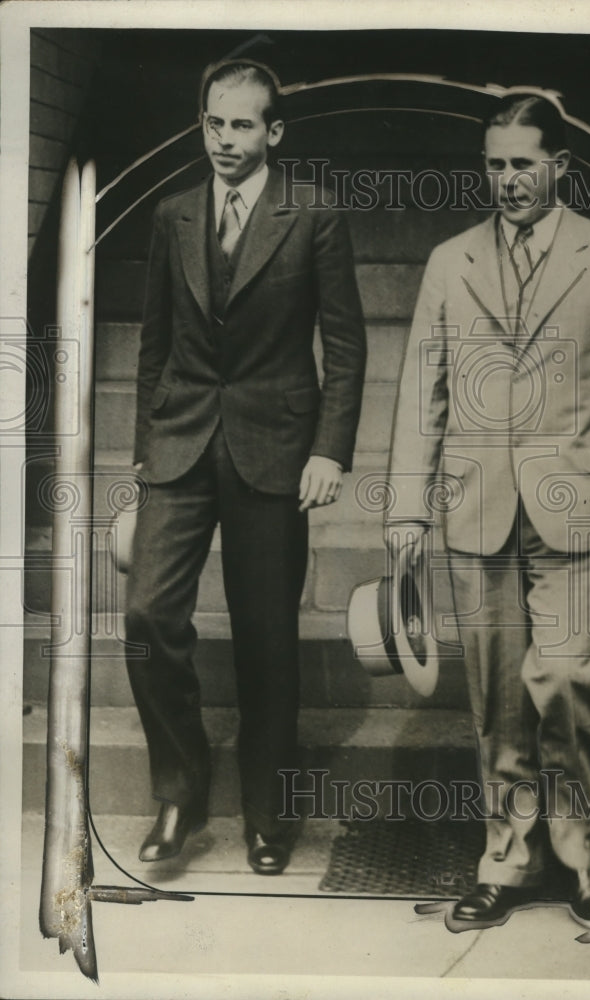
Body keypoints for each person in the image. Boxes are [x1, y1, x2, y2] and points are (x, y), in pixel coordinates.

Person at [386, 94, 590, 924]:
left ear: (559, 167)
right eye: (494, 164)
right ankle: (506, 859)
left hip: (577, 507)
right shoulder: (450, 260)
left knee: (567, 684)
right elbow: (420, 394)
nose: (506, 180)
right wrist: (407, 504)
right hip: (476, 509)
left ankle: (585, 858)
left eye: (521, 164)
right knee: (496, 703)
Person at [125, 59, 366, 875]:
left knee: (267, 639)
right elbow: (155, 345)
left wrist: (330, 447)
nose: (226, 140)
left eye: (242, 126)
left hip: (276, 450)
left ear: (273, 132)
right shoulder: (172, 215)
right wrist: (141, 454)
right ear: (202, 123)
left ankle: (268, 812)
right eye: (213, 123)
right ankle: (180, 792)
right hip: (180, 444)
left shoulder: (313, 214)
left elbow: (344, 342)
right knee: (150, 620)